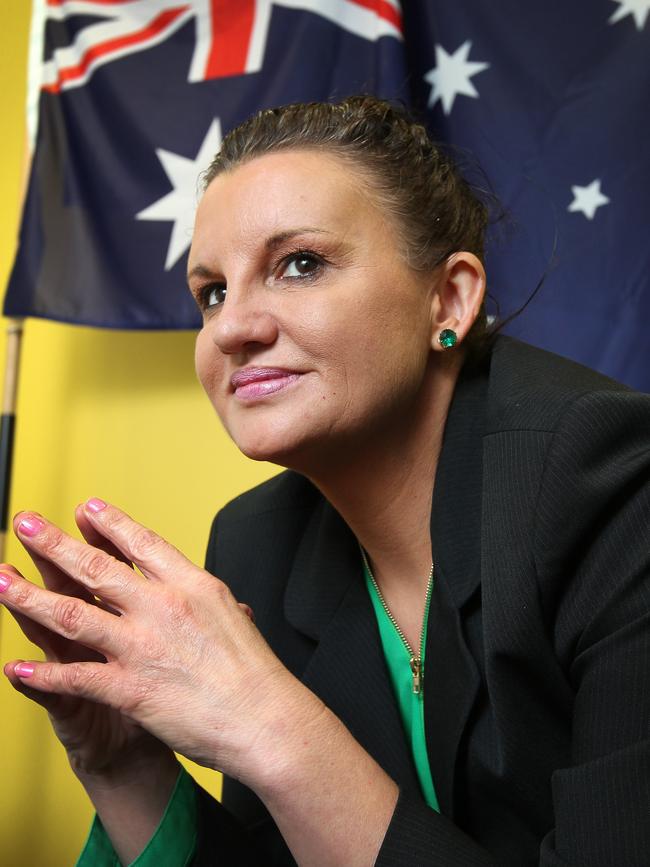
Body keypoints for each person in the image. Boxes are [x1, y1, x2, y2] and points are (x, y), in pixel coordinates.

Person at [2, 96, 649, 867]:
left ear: (449, 298)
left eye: (299, 264)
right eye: (211, 291)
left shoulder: (613, 477)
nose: (233, 327)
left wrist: (271, 723)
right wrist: (125, 766)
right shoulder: (253, 546)